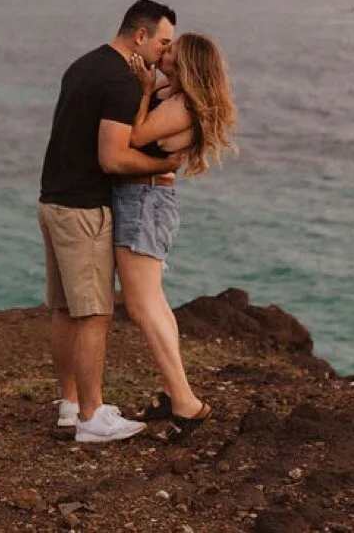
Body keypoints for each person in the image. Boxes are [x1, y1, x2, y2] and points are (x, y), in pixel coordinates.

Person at [38, 0, 182, 443]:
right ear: (140, 36)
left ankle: (70, 405)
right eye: (163, 42)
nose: (165, 51)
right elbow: (114, 158)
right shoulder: (120, 82)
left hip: (53, 200)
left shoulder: (83, 65)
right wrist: (164, 165)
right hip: (84, 209)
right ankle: (91, 417)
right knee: (95, 314)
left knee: (66, 309)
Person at [113, 32, 238, 442]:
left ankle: (186, 403)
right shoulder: (175, 94)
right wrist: (151, 86)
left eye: (172, 50)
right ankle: (172, 392)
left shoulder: (180, 103)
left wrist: (144, 89)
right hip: (148, 199)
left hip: (144, 200)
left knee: (141, 305)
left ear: (187, 64)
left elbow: (134, 137)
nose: (164, 51)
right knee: (155, 302)